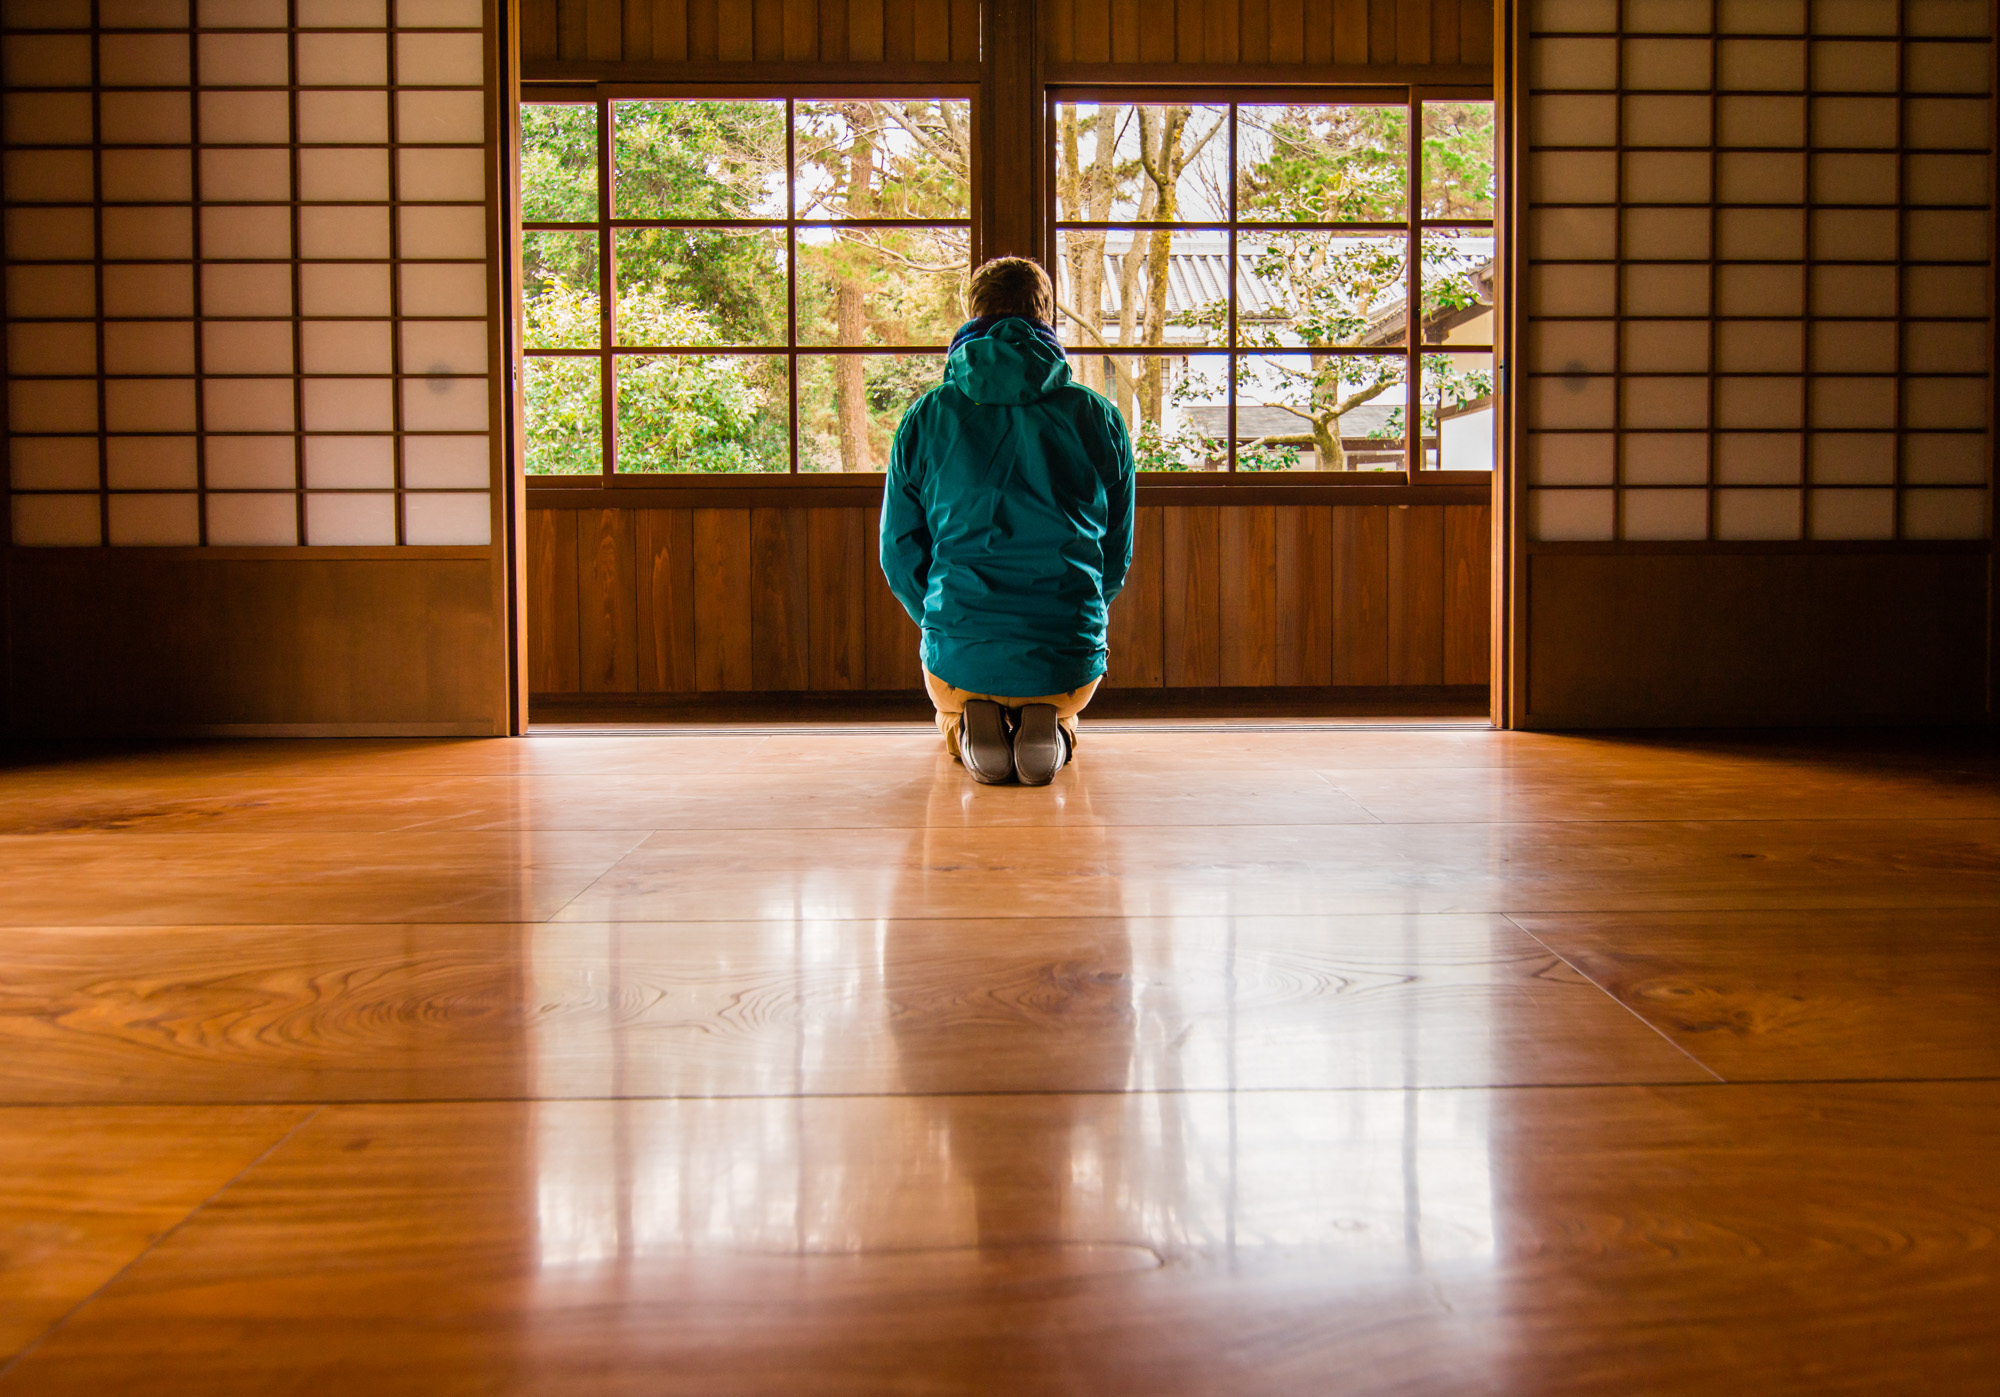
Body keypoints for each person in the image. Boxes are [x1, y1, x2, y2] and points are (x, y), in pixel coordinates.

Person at [880, 256, 1136, 786]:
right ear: (1047, 317)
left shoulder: (928, 416)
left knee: (949, 698)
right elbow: (1116, 550)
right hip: (1067, 661)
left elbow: (898, 551)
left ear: (972, 314)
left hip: (959, 657)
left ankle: (966, 727)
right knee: (1063, 697)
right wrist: (1082, 611)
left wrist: (940, 618)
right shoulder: (1098, 416)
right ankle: (1055, 727)